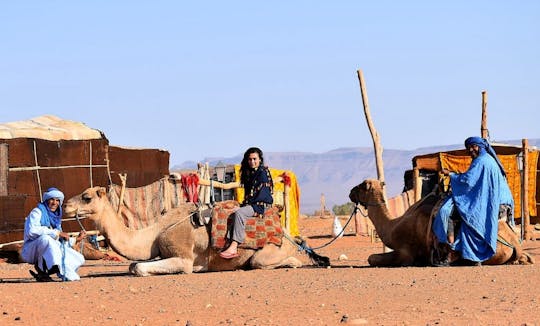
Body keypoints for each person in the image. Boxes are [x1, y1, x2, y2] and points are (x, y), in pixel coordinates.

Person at [432, 136, 514, 266]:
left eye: (473, 146)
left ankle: (450, 253)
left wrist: (452, 175)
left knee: (448, 213)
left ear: (480, 147)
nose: (471, 150)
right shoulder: (489, 160)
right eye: (469, 148)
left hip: (491, 201)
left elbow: (468, 181)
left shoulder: (481, 161)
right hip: (502, 201)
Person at [21, 187, 86, 281]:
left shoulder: (56, 218)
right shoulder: (37, 212)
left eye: (57, 200)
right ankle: (41, 270)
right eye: (52, 199)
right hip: (31, 249)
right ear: (47, 200)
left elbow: (60, 239)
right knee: (46, 239)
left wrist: (76, 239)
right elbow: (32, 231)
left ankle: (50, 270)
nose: (54, 203)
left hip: (47, 245)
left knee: (77, 258)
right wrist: (57, 233)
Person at [219, 147, 273, 259]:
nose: (252, 162)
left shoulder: (262, 173)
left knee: (239, 213)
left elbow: (262, 195)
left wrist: (244, 208)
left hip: (260, 205)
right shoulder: (251, 174)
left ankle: (234, 246)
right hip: (252, 203)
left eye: (254, 159)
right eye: (250, 159)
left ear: (260, 160)